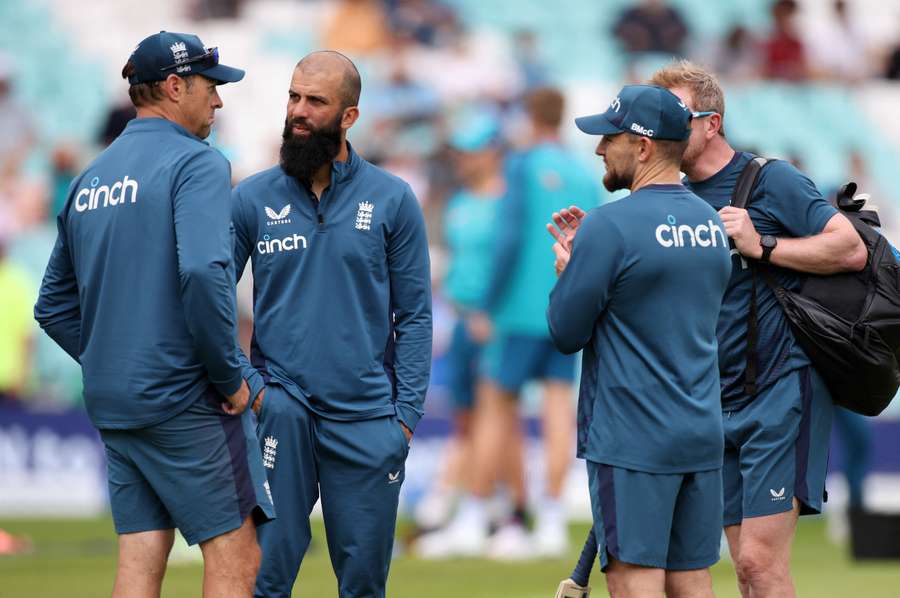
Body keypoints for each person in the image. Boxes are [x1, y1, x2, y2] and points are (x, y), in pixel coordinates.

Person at [33, 31, 274, 598]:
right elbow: (202, 274)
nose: (218, 100)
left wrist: (113, 358)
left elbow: (53, 305)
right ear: (174, 86)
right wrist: (228, 376)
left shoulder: (89, 178)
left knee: (140, 562)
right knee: (236, 555)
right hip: (185, 398)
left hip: (116, 399)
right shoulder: (198, 164)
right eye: (210, 87)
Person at [649, 60, 867, 597]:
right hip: (711, 401)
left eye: (676, 117)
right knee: (744, 569)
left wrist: (763, 245)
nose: (662, 133)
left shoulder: (770, 179)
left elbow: (851, 248)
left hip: (780, 391)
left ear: (711, 123)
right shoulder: (667, 197)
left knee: (758, 564)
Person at [231, 51, 432, 598]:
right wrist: (253, 390)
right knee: (264, 581)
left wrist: (405, 417)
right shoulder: (251, 197)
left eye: (315, 101)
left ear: (349, 117)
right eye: (294, 97)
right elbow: (207, 298)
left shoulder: (393, 199)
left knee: (364, 586)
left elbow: (414, 315)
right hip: (282, 413)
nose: (298, 111)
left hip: (368, 420)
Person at [547, 84, 731, 598]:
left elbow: (565, 331)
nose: (600, 148)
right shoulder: (711, 225)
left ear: (644, 147)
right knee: (693, 580)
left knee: (636, 581)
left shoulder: (610, 227)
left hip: (632, 436)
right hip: (699, 431)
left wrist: (571, 268)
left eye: (610, 138)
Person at [421, 87, 598, 559]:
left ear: (529, 116)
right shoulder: (584, 170)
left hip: (517, 309)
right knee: (559, 409)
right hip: (565, 306)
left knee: (495, 407)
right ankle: (552, 521)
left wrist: (488, 302)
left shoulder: (519, 166)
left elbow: (510, 237)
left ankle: (477, 515)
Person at [414, 112, 517, 531]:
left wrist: (492, 314)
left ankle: (476, 506)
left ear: (492, 153)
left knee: (495, 416)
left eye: (472, 152)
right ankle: (490, 504)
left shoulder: (509, 204)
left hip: (496, 326)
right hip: (463, 322)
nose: (463, 160)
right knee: (469, 417)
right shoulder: (458, 203)